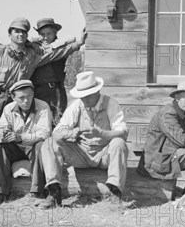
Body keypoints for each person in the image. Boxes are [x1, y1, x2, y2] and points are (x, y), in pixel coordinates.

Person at [0, 17, 84, 129]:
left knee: (14, 130)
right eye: (17, 31)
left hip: (18, 99)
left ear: (27, 36)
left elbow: (56, 53)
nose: (20, 34)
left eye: (23, 32)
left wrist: (79, 43)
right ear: (9, 34)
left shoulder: (32, 55)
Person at [38, 71, 129, 209]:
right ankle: (54, 192)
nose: (84, 99)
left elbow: (123, 133)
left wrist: (103, 133)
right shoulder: (76, 106)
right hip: (81, 154)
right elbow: (57, 132)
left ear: (97, 92)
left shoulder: (111, 104)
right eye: (82, 96)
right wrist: (70, 132)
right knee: (49, 143)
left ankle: (115, 194)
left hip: (104, 154)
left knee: (118, 143)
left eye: (88, 96)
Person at [0, 80, 51, 205]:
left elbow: (45, 133)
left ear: (33, 94)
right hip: (15, 149)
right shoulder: (8, 108)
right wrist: (3, 135)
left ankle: (38, 192)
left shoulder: (43, 106)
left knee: (41, 146)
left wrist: (20, 137)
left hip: (33, 148)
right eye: (21, 98)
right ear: (13, 97)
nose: (26, 101)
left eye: (29, 96)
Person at [30, 18, 70, 127]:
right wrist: (33, 44)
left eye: (49, 33)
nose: (46, 37)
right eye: (42, 34)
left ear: (55, 33)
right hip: (38, 90)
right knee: (40, 119)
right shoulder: (34, 47)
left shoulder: (61, 46)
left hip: (56, 90)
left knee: (58, 118)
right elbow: (25, 43)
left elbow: (71, 41)